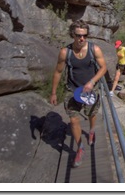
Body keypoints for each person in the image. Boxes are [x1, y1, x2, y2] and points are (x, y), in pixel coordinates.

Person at [50, 20, 107, 168]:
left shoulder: (94, 49)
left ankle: (92, 131)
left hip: (91, 89)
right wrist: (54, 93)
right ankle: (80, 148)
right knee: (74, 120)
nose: (82, 39)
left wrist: (92, 82)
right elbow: (58, 72)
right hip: (72, 89)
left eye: (85, 36)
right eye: (78, 35)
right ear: (72, 35)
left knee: (91, 115)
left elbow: (103, 68)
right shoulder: (65, 52)